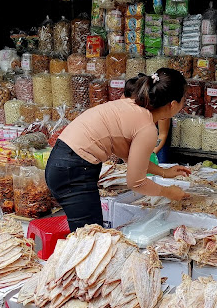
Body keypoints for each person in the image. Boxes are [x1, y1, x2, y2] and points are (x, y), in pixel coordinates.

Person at [46, 68, 191, 231]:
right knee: (90, 238)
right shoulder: (147, 128)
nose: (184, 103)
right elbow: (136, 182)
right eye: (183, 99)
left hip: (63, 162)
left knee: (87, 235)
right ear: (172, 104)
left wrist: (164, 172)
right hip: (74, 169)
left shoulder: (132, 106)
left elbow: (134, 160)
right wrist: (168, 192)